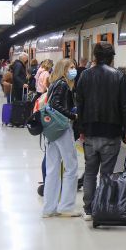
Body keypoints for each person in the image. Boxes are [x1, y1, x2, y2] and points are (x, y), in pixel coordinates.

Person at [73, 42, 126, 221]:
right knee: (106, 174)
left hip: (90, 131)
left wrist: (81, 129)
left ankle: (88, 209)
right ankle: (101, 208)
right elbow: (125, 106)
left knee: (90, 172)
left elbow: (80, 104)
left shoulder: (85, 75)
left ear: (95, 56)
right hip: (111, 132)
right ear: (111, 57)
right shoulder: (119, 76)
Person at [42, 58, 81, 218]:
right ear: (63, 69)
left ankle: (48, 208)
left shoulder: (53, 84)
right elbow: (56, 105)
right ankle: (66, 206)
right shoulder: (63, 84)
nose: (74, 70)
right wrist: (73, 115)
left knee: (52, 169)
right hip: (62, 129)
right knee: (71, 167)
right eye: (71, 67)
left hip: (51, 130)